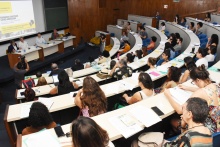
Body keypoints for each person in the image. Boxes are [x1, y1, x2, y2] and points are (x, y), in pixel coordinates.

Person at [164, 65, 220, 133]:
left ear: (198, 80)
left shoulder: (199, 93)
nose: (194, 84)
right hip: (217, 123)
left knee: (173, 121)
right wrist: (187, 88)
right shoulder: (215, 85)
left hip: (211, 129)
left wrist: (168, 95)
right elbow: (206, 91)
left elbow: (180, 110)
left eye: (193, 82)